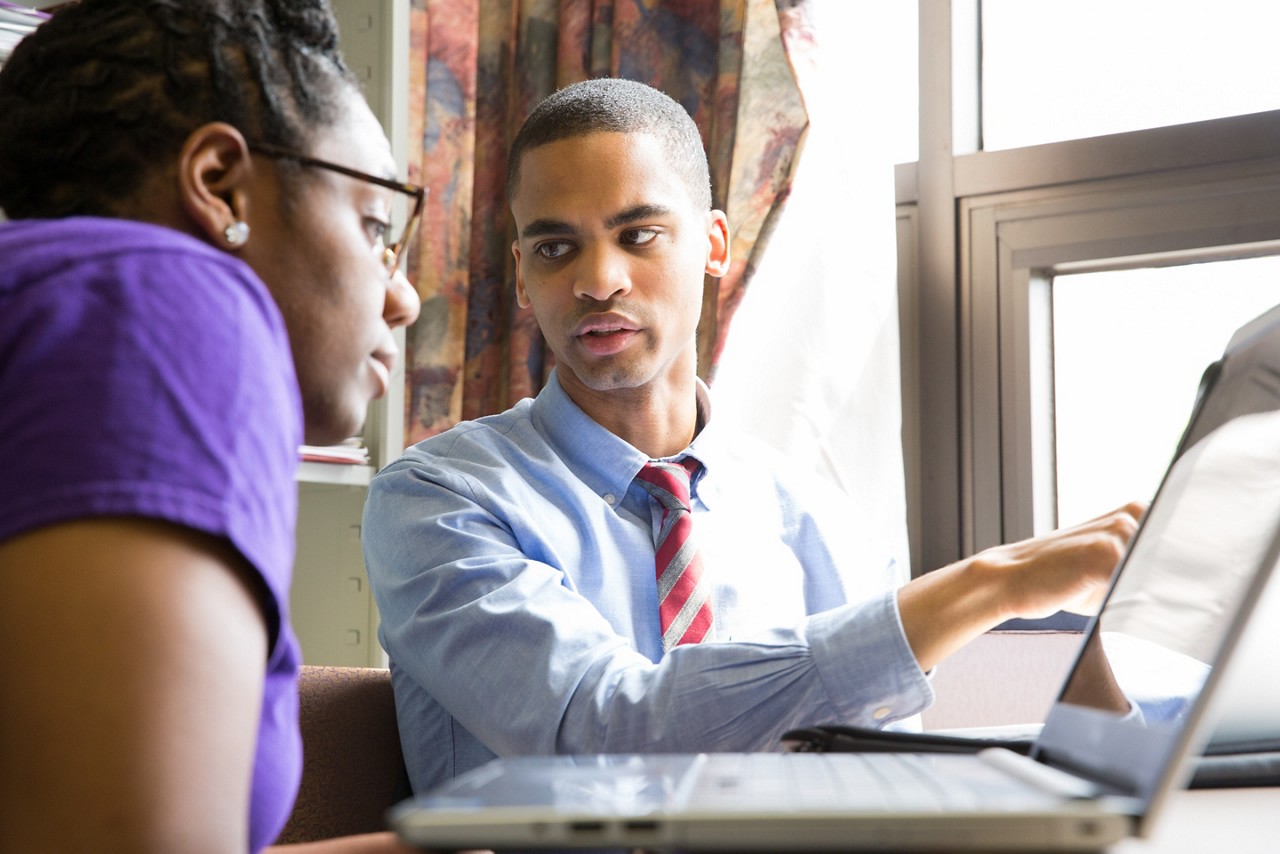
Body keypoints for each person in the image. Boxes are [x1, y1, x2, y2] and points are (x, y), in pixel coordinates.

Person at [361, 77, 1143, 793]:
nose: (598, 279)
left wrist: (1094, 714)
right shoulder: (437, 500)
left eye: (638, 235)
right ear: (524, 274)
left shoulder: (822, 520)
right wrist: (986, 585)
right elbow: (607, 731)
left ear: (712, 246)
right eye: (555, 247)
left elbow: (880, 783)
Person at [0, 1, 435, 851]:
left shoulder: (66, 310)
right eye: (377, 227)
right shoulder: (169, 303)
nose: (404, 297)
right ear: (220, 184)